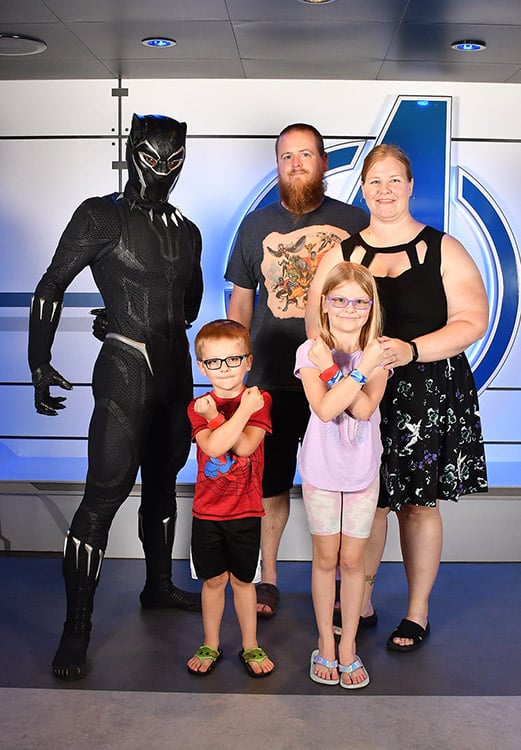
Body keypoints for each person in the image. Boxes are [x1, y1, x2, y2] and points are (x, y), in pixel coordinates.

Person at [28, 114, 204, 680]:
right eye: (153, 158)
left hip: (175, 371)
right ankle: (76, 628)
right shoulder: (101, 213)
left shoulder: (189, 230)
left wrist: (123, 315)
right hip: (128, 368)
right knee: (102, 498)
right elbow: (52, 283)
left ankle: (158, 586)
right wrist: (39, 361)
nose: (163, 170)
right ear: (132, 152)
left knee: (162, 486)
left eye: (173, 159)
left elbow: (188, 309)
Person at [305, 144, 488, 651]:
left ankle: (416, 612)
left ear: (410, 187)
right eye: (375, 181)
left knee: (418, 506)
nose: (384, 191)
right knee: (371, 502)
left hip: (427, 392)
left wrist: (411, 349)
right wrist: (337, 374)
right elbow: (315, 326)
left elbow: (474, 320)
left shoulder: (444, 247)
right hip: (356, 388)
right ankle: (358, 601)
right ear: (362, 189)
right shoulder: (340, 253)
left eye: (394, 180)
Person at [225, 123, 369, 617]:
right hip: (270, 376)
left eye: (305, 154)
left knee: (344, 482)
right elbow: (240, 303)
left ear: (323, 162)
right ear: (278, 164)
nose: (296, 163)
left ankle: (344, 586)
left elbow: (374, 294)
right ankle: (269, 578)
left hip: (341, 374)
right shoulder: (254, 226)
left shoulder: (355, 222)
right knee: (271, 484)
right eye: (286, 156)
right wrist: (235, 372)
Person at [296, 261, 391, 688]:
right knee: (325, 558)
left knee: (352, 561)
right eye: (339, 300)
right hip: (320, 469)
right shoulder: (309, 351)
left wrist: (341, 370)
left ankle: (347, 645)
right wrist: (352, 372)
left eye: (359, 301)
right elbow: (326, 408)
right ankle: (325, 643)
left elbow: (364, 408)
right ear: (325, 304)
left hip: (361, 472)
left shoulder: (379, 353)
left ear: (370, 308)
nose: (349, 308)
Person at [186, 319, 274, 678]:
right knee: (213, 581)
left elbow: (244, 446)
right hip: (207, 512)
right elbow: (214, 445)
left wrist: (219, 418)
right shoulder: (198, 406)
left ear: (249, 362)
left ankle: (250, 644)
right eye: (214, 362)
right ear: (202, 366)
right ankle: (211, 641)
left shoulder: (261, 399)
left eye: (234, 360)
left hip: (246, 510)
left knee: (243, 582)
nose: (224, 370)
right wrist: (230, 414)